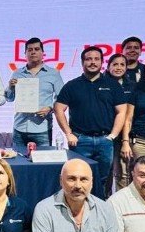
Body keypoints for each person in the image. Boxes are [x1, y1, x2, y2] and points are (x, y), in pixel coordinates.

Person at [54, 46, 126, 197]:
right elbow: (59, 109)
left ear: (101, 62)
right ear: (82, 63)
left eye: (96, 59)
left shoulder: (113, 85)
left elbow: (121, 111)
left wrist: (113, 135)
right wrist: (68, 133)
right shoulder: (72, 85)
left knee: (102, 181)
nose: (92, 62)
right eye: (88, 59)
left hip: (105, 141)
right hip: (80, 141)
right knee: (77, 180)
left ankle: (98, 207)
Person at [5, 37, 65, 148]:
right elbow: (9, 98)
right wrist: (10, 87)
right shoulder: (17, 73)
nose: (33, 52)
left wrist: (50, 108)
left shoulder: (53, 74)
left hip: (42, 128)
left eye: (36, 49)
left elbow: (62, 99)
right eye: (30, 50)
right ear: (25, 54)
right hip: (20, 127)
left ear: (42, 53)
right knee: (18, 158)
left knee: (43, 158)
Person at [105, 53, 134, 190]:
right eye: (115, 64)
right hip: (107, 133)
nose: (118, 67)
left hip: (126, 134)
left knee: (123, 171)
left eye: (122, 64)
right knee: (106, 171)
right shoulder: (101, 83)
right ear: (108, 67)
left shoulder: (133, 86)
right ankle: (105, 198)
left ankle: (120, 200)